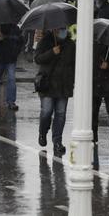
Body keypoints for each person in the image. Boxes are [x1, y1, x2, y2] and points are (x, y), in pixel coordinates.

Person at [34, 27, 76, 156]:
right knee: (46, 111)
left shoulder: (70, 44)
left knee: (61, 114)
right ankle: (42, 132)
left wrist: (72, 81)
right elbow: (37, 59)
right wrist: (52, 52)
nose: (61, 30)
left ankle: (57, 141)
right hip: (48, 85)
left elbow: (74, 64)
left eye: (63, 28)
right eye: (59, 28)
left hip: (64, 85)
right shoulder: (45, 41)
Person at [0, 24, 22, 110]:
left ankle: (11, 101)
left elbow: (20, 40)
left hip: (11, 59)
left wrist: (15, 52)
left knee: (11, 79)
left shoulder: (14, 28)